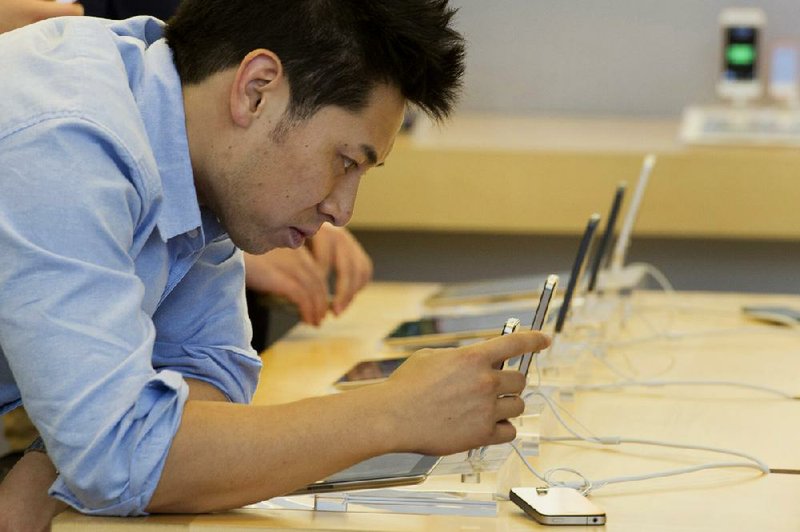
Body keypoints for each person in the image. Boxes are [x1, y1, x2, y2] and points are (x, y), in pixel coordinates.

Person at [0, 0, 549, 528]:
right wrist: (393, 414)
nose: (342, 210)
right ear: (257, 89)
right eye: (344, 162)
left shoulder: (192, 146)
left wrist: (53, 462)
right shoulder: (65, 139)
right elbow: (124, 457)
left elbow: (208, 377)